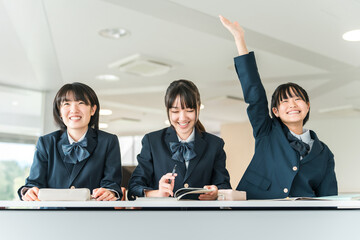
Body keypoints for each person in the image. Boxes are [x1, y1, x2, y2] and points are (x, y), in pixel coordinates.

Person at [220, 15, 338, 199]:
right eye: (284, 101)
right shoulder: (266, 131)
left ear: (307, 106)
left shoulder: (324, 153)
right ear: (275, 111)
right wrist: (239, 39)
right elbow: (254, 94)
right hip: (257, 209)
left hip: (300, 218)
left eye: (298, 99)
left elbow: (328, 196)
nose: (292, 104)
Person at [127, 79, 231, 200]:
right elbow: (133, 189)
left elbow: (224, 186)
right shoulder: (152, 141)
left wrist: (216, 193)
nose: (182, 118)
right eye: (175, 111)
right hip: (162, 217)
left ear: (198, 107)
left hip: (202, 217)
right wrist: (158, 193)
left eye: (189, 110)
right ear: (168, 110)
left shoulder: (215, 144)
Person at [18, 82, 122, 201]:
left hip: (94, 215)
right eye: (67, 104)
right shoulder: (46, 142)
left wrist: (109, 192)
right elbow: (34, 183)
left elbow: (112, 183)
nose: (74, 110)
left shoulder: (108, 141)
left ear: (93, 109)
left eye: (81, 103)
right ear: (59, 111)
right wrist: (30, 191)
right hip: (52, 216)